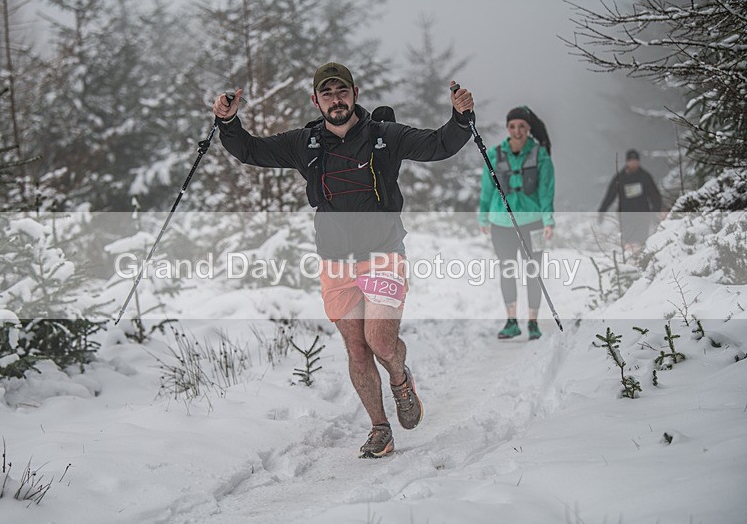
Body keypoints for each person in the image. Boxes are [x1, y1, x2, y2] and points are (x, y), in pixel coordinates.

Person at [212, 62, 475, 458]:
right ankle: (380, 429)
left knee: (379, 339)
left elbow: (440, 145)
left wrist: (460, 117)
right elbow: (251, 151)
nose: (336, 100)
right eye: (328, 93)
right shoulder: (306, 143)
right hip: (336, 262)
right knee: (356, 348)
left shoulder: (384, 136)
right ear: (316, 100)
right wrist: (228, 123)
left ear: (355, 92)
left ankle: (401, 380)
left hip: (384, 253)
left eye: (342, 91)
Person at [478, 106, 555, 341]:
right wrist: (483, 216)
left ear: (529, 128)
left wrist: (548, 220)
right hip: (501, 223)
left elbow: (546, 191)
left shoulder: (540, 155)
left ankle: (533, 322)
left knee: (534, 271)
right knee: (508, 270)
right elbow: (486, 190)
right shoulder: (494, 154)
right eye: (512, 126)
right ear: (507, 128)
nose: (517, 130)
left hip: (533, 223)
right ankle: (511, 321)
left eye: (522, 126)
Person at [597, 149, 663, 253]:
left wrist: (656, 210)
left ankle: (641, 260)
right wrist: (602, 210)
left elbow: (654, 195)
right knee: (628, 242)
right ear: (627, 162)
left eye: (635, 161)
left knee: (641, 241)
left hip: (643, 214)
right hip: (626, 215)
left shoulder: (645, 176)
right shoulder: (620, 178)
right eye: (631, 161)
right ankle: (629, 261)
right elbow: (610, 195)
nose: (633, 163)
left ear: (639, 162)